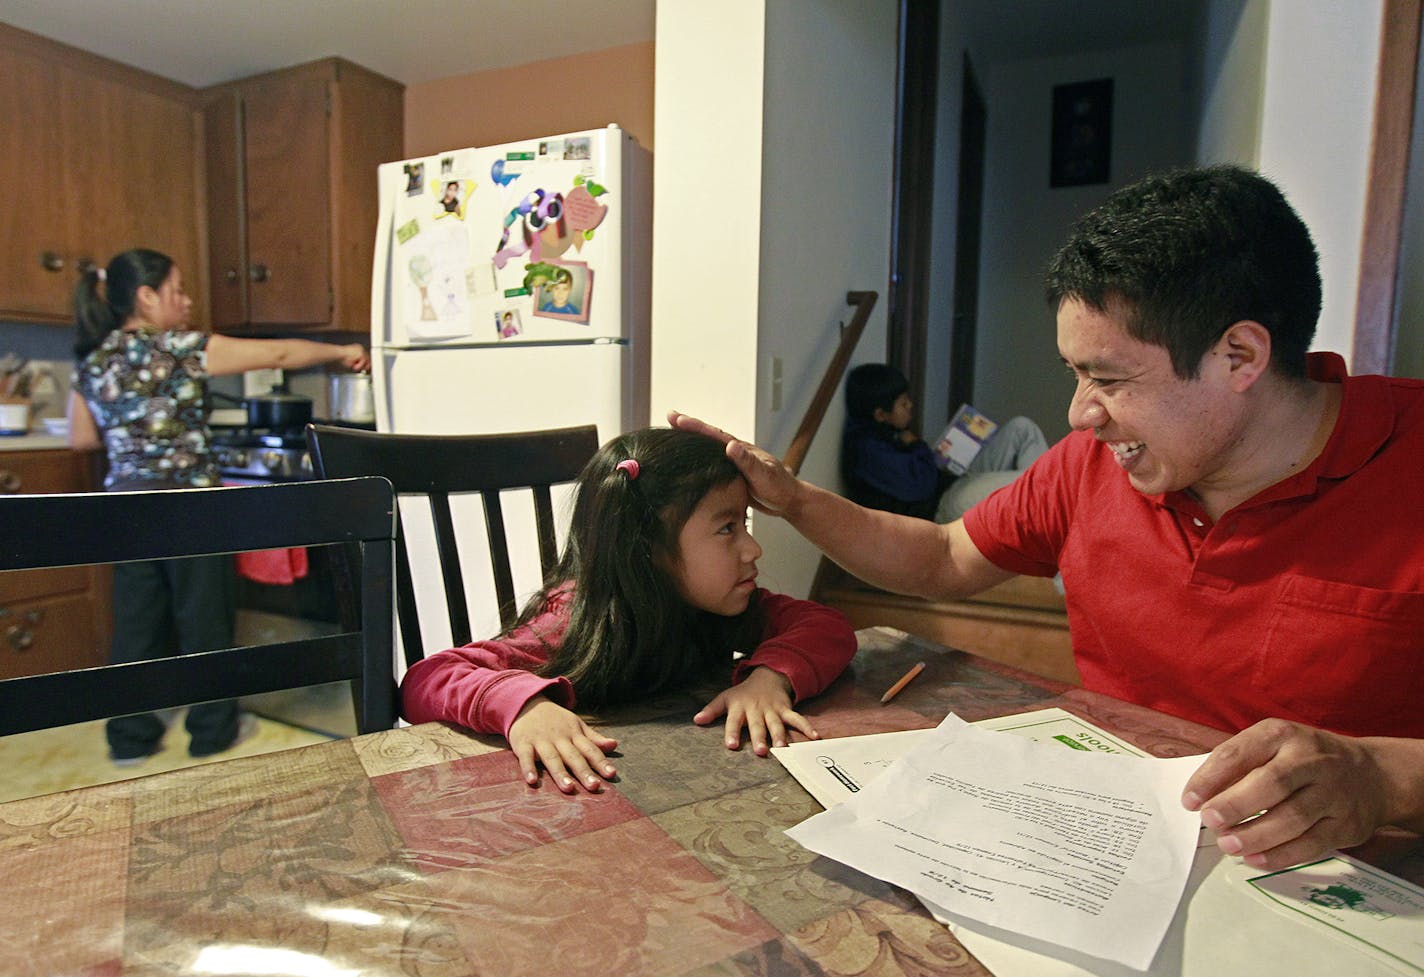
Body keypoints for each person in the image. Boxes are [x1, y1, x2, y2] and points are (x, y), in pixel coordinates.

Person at [671, 164, 1424, 873]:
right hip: (1118, 852)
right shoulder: (1091, 463)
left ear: (1239, 355)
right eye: (1075, 373)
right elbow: (941, 555)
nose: (1079, 413)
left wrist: (1382, 777)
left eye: (1110, 378)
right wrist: (796, 500)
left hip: (1350, 883)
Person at [399, 427, 858, 794]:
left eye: (745, 524)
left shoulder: (720, 606)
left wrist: (770, 678)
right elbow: (427, 677)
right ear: (649, 550)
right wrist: (523, 708)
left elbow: (826, 625)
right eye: (726, 529)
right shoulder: (575, 620)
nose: (752, 548)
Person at [68, 247, 371, 765]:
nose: (186, 302)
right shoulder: (182, 348)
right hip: (191, 511)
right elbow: (275, 357)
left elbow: (79, 439)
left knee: (136, 626)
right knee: (204, 622)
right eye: (178, 290)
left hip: (123, 512)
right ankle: (212, 731)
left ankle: (129, 738)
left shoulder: (94, 358)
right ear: (147, 296)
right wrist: (339, 353)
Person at [841, 362, 1048, 522]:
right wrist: (917, 446)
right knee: (1033, 482)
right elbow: (921, 487)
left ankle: (1045, 513)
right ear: (880, 414)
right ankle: (1053, 517)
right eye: (903, 404)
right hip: (942, 505)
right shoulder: (867, 451)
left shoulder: (884, 430)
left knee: (1022, 427)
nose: (910, 405)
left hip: (951, 481)